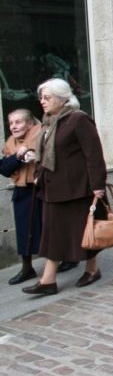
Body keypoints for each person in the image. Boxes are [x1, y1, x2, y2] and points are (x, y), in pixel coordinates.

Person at [21, 79, 107, 296]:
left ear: (63, 98)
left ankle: (91, 269)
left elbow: (94, 154)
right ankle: (48, 280)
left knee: (85, 232)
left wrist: (98, 185)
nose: (42, 101)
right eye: (41, 97)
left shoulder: (78, 119)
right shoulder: (49, 121)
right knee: (53, 234)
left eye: (47, 97)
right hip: (52, 188)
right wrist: (39, 172)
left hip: (77, 189)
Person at [1, 109, 42, 284]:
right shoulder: (11, 143)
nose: (14, 126)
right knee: (24, 231)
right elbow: (4, 169)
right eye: (11, 123)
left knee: (50, 227)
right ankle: (27, 268)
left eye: (18, 122)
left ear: (30, 124)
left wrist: (31, 155)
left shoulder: (41, 137)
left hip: (42, 188)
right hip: (22, 191)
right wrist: (19, 156)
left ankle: (66, 259)